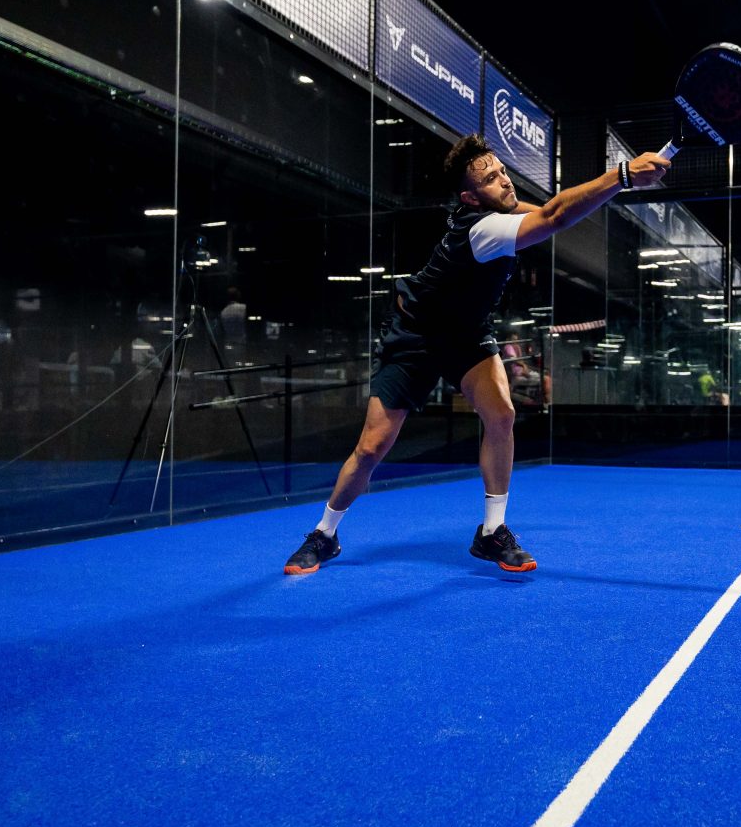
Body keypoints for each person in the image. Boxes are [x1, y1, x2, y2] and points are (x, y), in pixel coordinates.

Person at [284, 134, 671, 574]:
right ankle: (324, 534)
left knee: (501, 415)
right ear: (470, 197)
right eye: (491, 179)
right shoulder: (484, 229)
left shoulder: (499, 211)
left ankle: (492, 532)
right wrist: (623, 175)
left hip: (466, 335)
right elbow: (555, 215)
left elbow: (551, 212)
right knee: (372, 448)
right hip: (415, 337)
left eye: (503, 171)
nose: (505, 181)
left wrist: (610, 189)